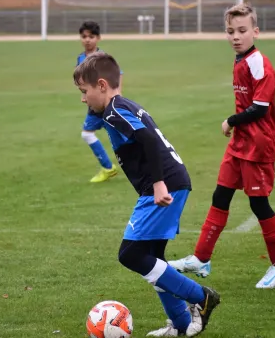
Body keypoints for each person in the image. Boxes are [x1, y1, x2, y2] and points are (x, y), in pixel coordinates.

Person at [73, 52, 220, 337]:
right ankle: (179, 324)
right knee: (153, 257)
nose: (83, 98)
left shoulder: (114, 112)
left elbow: (150, 141)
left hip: (164, 185)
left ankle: (200, 297)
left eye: (84, 91)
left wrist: (158, 184)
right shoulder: (123, 105)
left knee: (131, 254)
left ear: (101, 85)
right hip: (171, 181)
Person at [169, 3, 275, 289]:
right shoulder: (241, 60)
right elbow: (260, 108)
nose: (236, 36)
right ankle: (201, 258)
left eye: (242, 30)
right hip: (242, 143)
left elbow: (261, 108)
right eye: (230, 31)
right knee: (220, 196)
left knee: (259, 204)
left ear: (256, 31)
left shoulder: (258, 63)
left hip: (256, 148)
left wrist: (231, 120)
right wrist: (272, 132)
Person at [76, 21, 119, 183]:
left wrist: (117, 94)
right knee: (89, 134)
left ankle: (109, 168)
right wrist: (84, 94)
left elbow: (117, 74)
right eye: (84, 37)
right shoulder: (81, 58)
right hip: (94, 105)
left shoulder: (102, 58)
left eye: (91, 37)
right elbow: (82, 81)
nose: (87, 40)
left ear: (98, 38)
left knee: (121, 136)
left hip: (106, 104)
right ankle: (108, 168)